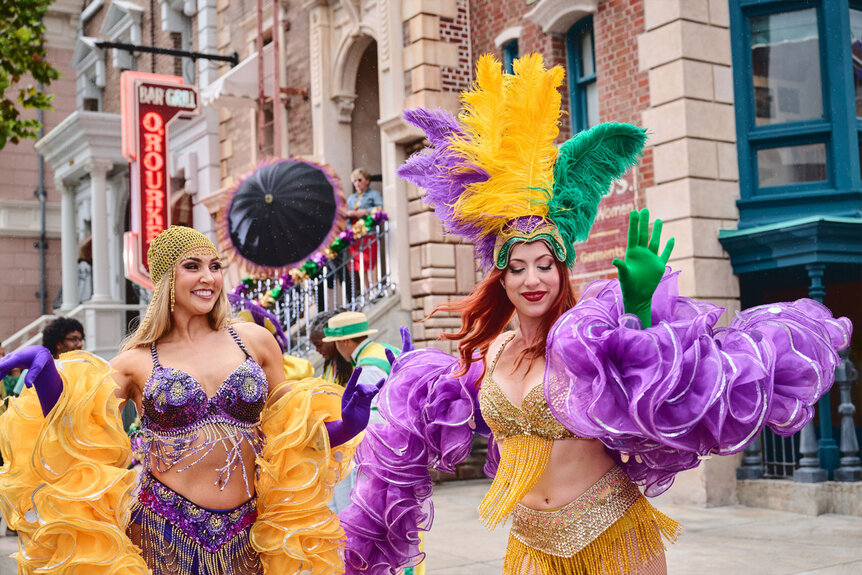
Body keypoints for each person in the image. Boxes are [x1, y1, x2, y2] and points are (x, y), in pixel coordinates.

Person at [339, 53, 852, 575]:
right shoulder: (493, 352)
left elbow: (655, 389)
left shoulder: (584, 340)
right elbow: (438, 415)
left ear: (563, 271)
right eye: (516, 268)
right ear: (501, 279)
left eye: (545, 264)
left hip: (612, 538)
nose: (531, 279)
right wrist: (395, 399)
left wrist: (638, 309)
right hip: (528, 548)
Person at [0, 225, 383, 574]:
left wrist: (348, 425)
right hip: (162, 533)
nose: (208, 277)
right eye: (193, 266)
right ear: (167, 278)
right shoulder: (135, 360)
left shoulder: (253, 340)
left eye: (215, 266)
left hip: (249, 535)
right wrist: (47, 372)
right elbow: (76, 430)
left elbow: (290, 438)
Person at [346, 169, 383, 300]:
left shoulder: (373, 194)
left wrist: (366, 211)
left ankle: (375, 288)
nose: (357, 183)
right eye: (354, 181)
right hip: (356, 234)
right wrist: (349, 214)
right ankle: (366, 292)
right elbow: (347, 214)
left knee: (371, 262)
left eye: (359, 180)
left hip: (368, 232)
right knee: (360, 264)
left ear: (367, 181)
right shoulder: (352, 198)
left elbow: (380, 208)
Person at [310, 309, 352, 386]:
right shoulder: (329, 364)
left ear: (332, 339)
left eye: (319, 345)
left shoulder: (353, 364)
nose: (317, 350)